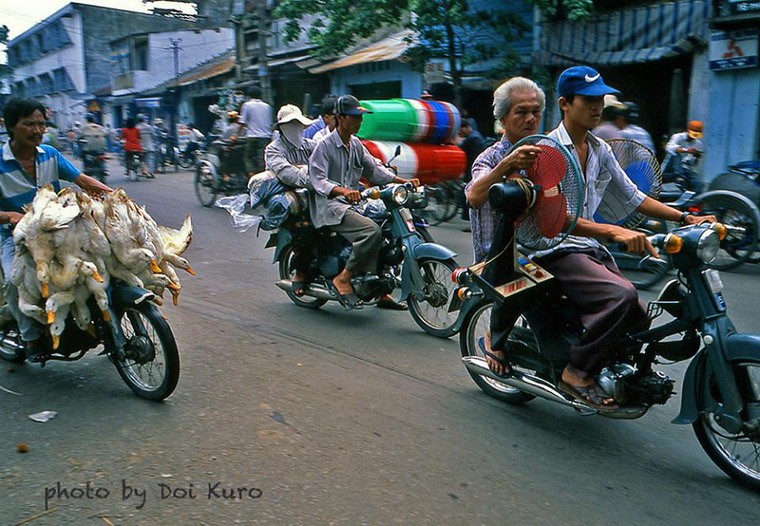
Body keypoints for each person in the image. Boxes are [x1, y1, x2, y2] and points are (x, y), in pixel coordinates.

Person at [535, 66, 711, 408]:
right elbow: (554, 221)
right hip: (553, 248)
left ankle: (610, 369)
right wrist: (615, 230)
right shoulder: (548, 151)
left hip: (587, 247)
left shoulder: (600, 149)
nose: (597, 107)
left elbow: (634, 196)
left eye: (600, 99)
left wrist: (685, 216)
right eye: (588, 100)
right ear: (565, 104)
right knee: (621, 295)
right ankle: (576, 370)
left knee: (640, 315)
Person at [0, 97, 112, 361]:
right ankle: (31, 339)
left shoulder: (50, 154)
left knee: (100, 264)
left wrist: (114, 196)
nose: (38, 130)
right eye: (29, 124)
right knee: (15, 282)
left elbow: (83, 181)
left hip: (57, 231)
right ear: (11, 126)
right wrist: (11, 216)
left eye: (41, 124)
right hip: (12, 237)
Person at [308, 95, 419, 310]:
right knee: (371, 232)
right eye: (355, 117)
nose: (360, 122)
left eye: (361, 118)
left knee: (387, 227)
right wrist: (343, 191)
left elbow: (375, 171)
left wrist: (403, 181)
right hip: (330, 207)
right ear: (340, 118)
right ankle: (343, 278)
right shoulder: (324, 146)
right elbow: (317, 180)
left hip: (353, 204)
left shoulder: (356, 144)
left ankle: (380, 290)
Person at [264, 104, 317, 296]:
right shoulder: (273, 150)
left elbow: (328, 157)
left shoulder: (309, 145)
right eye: (291, 124)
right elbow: (288, 174)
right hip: (288, 201)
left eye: (298, 123)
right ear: (282, 128)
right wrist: (314, 178)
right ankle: (300, 272)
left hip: (314, 193)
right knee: (306, 228)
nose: (297, 128)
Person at [237, 86, 273, 176]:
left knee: (248, 158)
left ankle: (252, 178)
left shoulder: (247, 105)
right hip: (266, 137)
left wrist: (235, 135)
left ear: (249, 96)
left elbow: (242, 122)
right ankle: (265, 178)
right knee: (263, 160)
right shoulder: (267, 106)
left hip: (252, 137)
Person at [457, 117, 486, 222]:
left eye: (460, 129)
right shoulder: (476, 134)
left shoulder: (472, 138)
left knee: (468, 192)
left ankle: (471, 220)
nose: (459, 131)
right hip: (474, 168)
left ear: (465, 128)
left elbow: (460, 149)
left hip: (473, 169)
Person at [664, 120, 705, 192]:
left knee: (699, 183)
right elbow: (669, 148)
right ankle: (680, 177)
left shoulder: (698, 144)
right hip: (671, 166)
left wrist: (697, 156)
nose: (693, 137)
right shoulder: (678, 137)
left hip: (685, 167)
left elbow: (693, 163)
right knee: (676, 154)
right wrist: (686, 150)